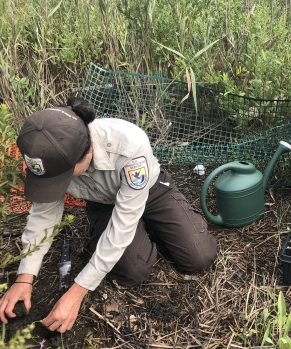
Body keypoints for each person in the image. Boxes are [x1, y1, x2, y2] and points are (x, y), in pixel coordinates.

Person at [0, 97, 217, 333]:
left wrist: (76, 293)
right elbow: (43, 215)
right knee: (132, 271)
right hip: (104, 203)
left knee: (199, 257)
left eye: (62, 177)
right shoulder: (47, 152)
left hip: (152, 191)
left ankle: (153, 226)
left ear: (88, 151)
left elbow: (122, 225)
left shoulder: (129, 146)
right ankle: (142, 237)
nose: (58, 184)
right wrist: (24, 277)